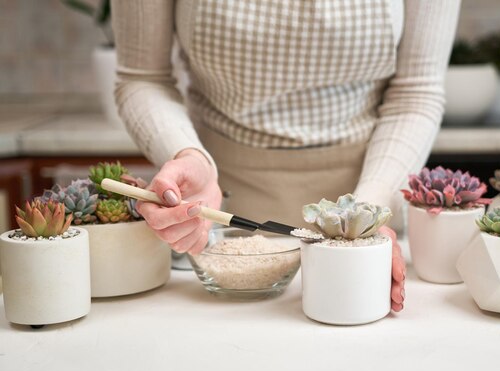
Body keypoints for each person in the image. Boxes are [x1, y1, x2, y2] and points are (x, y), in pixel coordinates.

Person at [111, 0, 462, 313]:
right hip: (215, 224)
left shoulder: (367, 212)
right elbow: (143, 77)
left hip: (370, 193)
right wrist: (188, 155)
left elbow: (416, 90)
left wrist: (366, 216)